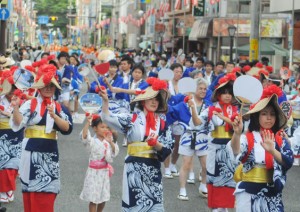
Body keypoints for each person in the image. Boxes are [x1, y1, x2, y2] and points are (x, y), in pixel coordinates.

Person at [99, 77, 172, 211]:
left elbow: (167, 150)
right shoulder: (132, 118)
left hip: (153, 169)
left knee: (154, 206)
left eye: (157, 99)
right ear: (143, 100)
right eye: (151, 98)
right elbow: (107, 117)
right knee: (134, 205)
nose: (154, 102)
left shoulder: (162, 123)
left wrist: (156, 144)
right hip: (134, 169)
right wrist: (105, 101)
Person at [10, 64, 73, 212]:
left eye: (52, 85)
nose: (48, 88)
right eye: (45, 85)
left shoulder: (58, 107)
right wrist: (16, 107)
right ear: (39, 86)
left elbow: (67, 128)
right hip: (31, 153)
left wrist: (55, 116)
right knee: (30, 190)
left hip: (50, 153)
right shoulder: (30, 104)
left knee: (48, 192)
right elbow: (18, 123)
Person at [230, 84, 294, 211]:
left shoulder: (280, 138)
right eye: (264, 113)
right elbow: (236, 151)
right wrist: (237, 134)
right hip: (248, 193)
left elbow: (288, 161)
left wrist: (272, 150)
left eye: (272, 114)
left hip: (272, 193)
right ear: (257, 116)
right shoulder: (248, 137)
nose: (269, 117)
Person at [199, 73, 238, 211]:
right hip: (215, 148)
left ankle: (224, 206)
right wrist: (192, 107)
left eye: (230, 93)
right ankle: (216, 206)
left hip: (230, 148)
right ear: (218, 94)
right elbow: (197, 123)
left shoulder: (235, 110)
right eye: (224, 93)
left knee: (228, 179)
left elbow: (238, 127)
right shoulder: (210, 109)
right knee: (214, 177)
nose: (227, 95)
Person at [176, 78, 212, 200]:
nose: (203, 91)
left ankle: (203, 185)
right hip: (187, 135)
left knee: (206, 165)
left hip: (203, 136)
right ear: (194, 89)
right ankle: (182, 189)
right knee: (186, 164)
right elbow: (173, 111)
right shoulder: (185, 103)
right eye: (200, 88)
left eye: (205, 89)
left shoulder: (208, 105)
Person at [80, 114, 119, 212]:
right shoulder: (93, 141)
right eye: (102, 127)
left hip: (104, 172)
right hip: (93, 173)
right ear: (95, 128)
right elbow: (85, 137)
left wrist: (110, 142)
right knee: (93, 199)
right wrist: (87, 123)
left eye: (107, 127)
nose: (105, 129)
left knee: (103, 198)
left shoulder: (108, 142)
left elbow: (113, 154)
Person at [0, 69, 23, 204]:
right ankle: (3, 190)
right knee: (3, 163)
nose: (11, 93)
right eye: (9, 89)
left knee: (14, 164)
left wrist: (16, 107)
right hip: (2, 134)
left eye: (14, 89)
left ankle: (10, 189)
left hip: (16, 134)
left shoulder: (22, 99)